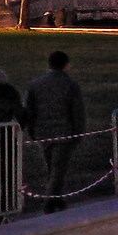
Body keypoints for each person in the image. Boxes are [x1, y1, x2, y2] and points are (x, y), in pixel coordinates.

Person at [23, 51, 84, 211]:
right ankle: (50, 201)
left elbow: (30, 109)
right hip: (64, 133)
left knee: (52, 167)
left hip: (43, 133)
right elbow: (77, 111)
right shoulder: (70, 84)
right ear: (66, 65)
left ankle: (57, 199)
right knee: (58, 169)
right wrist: (78, 133)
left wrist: (32, 130)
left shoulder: (35, 85)